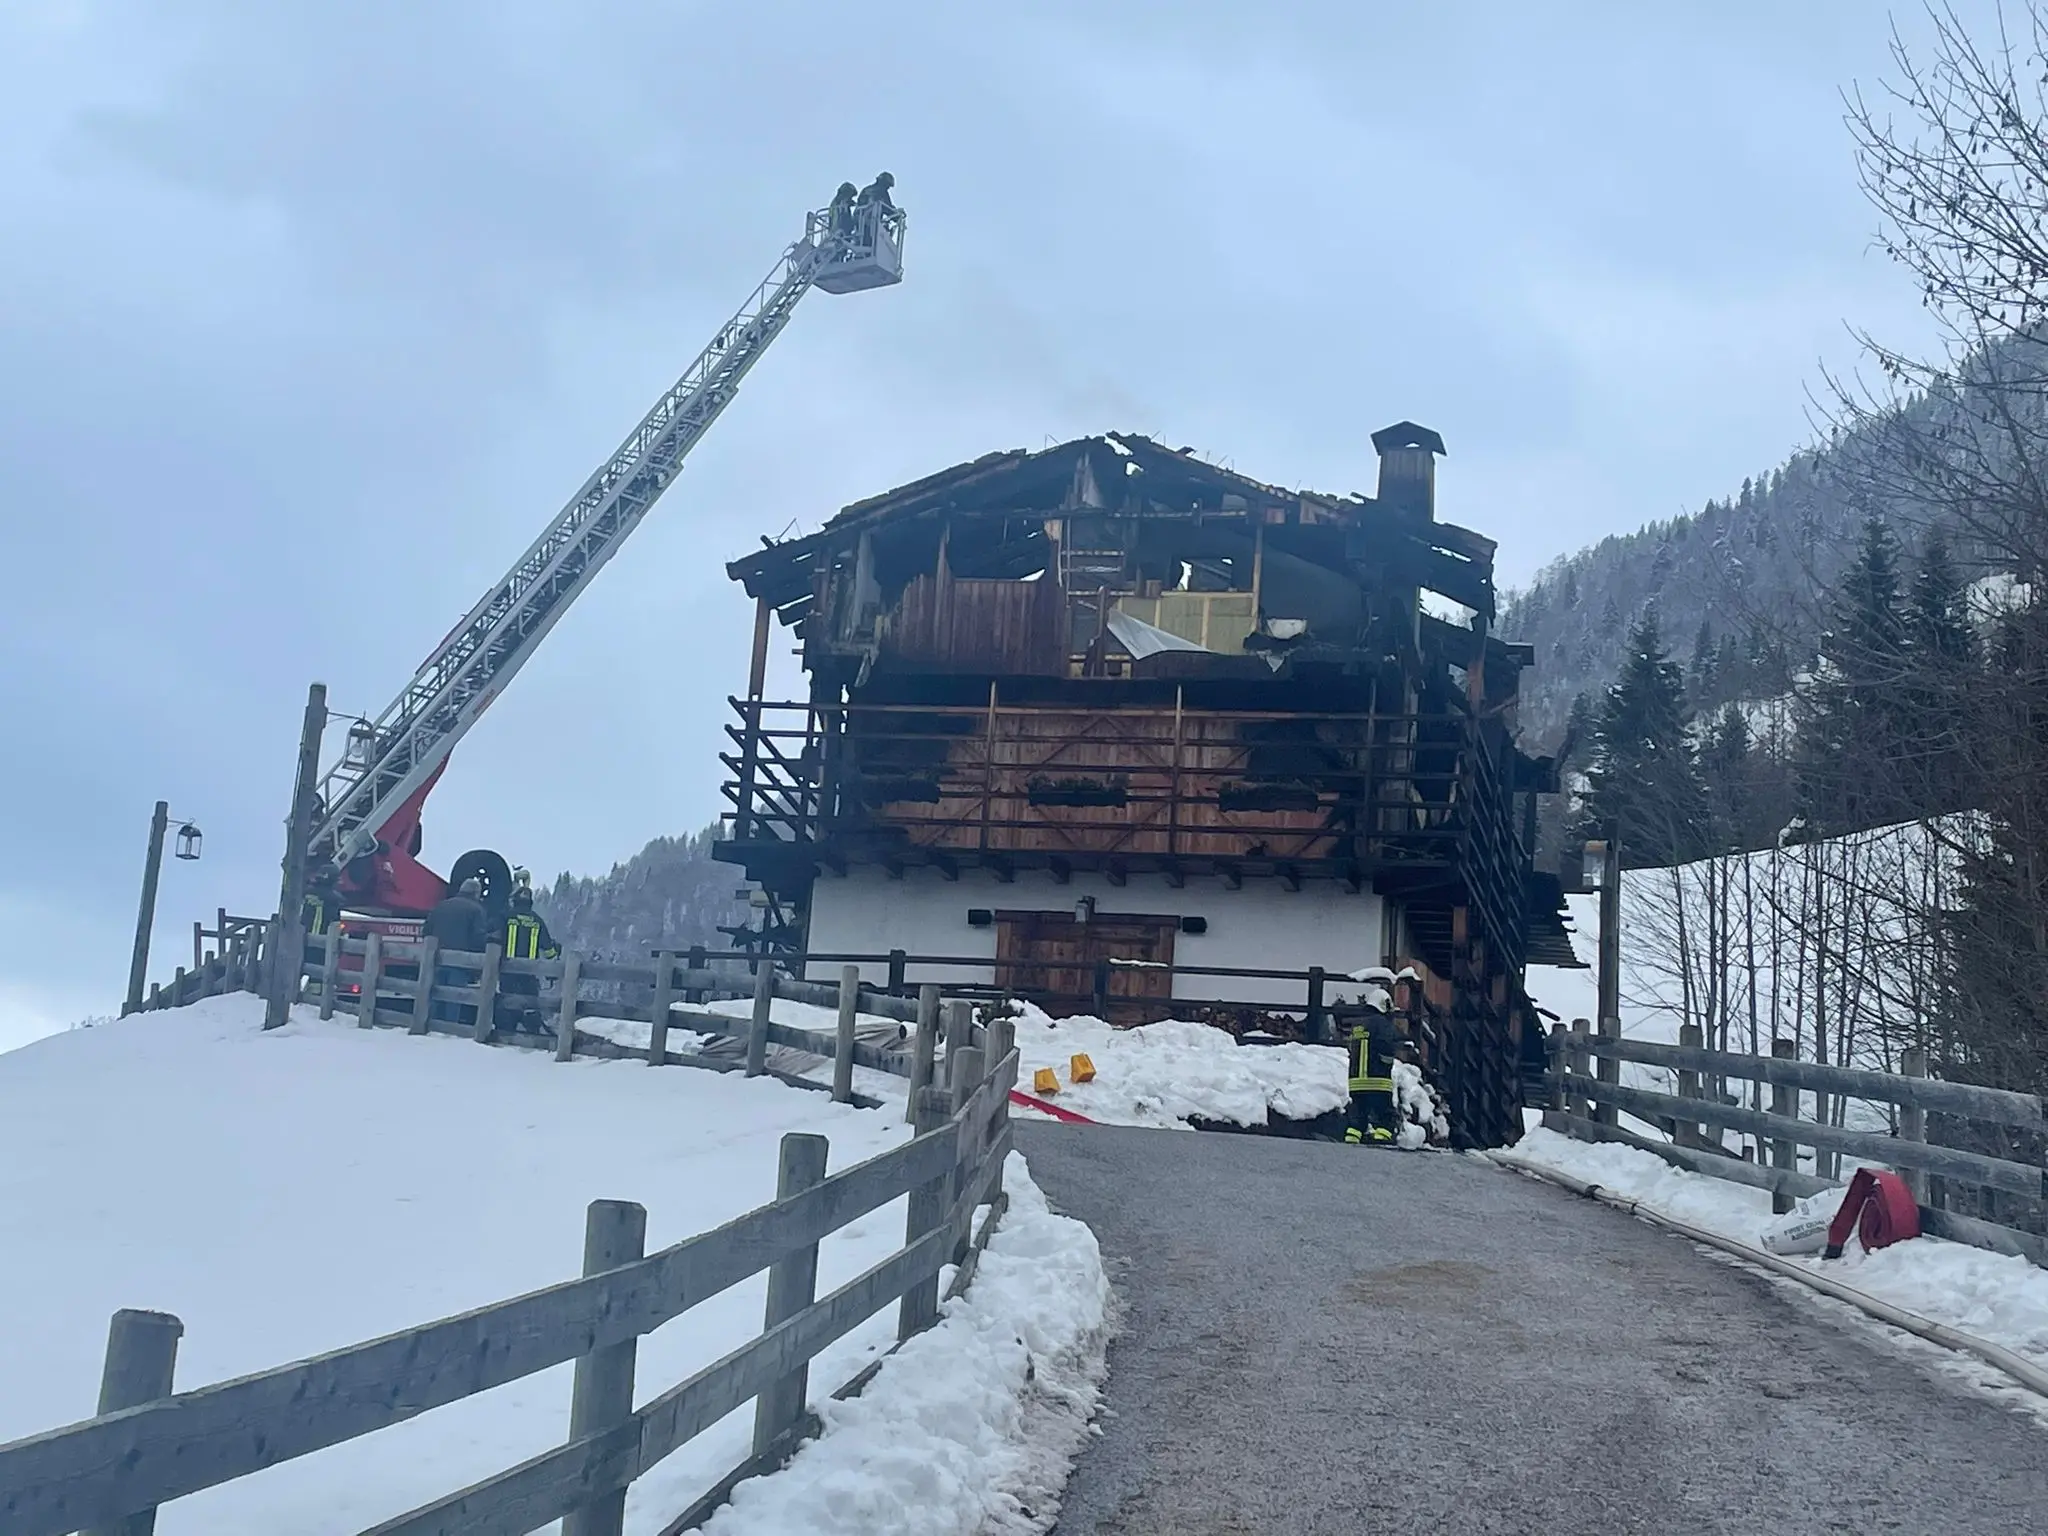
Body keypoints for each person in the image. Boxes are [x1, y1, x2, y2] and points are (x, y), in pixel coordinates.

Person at [424, 877, 490, 1026]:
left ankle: (431, 1027)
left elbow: (426, 931)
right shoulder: (476, 910)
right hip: (460, 963)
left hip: (437, 960)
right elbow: (478, 938)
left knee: (435, 994)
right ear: (476, 893)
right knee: (454, 999)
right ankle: (449, 1030)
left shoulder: (441, 906)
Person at [497, 887, 561, 1036]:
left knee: (507, 1005)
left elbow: (494, 940)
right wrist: (555, 955)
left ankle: (504, 1038)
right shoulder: (537, 920)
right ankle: (533, 1040)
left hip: (507, 971)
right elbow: (549, 951)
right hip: (529, 974)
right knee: (530, 1007)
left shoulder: (505, 917)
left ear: (514, 900)